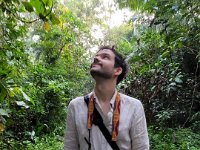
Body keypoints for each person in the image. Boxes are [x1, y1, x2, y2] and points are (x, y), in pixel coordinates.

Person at [64, 46, 149, 150]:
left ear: (117, 70)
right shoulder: (76, 106)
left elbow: (141, 147)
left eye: (105, 57)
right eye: (96, 56)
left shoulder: (134, 106)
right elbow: (70, 147)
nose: (96, 58)